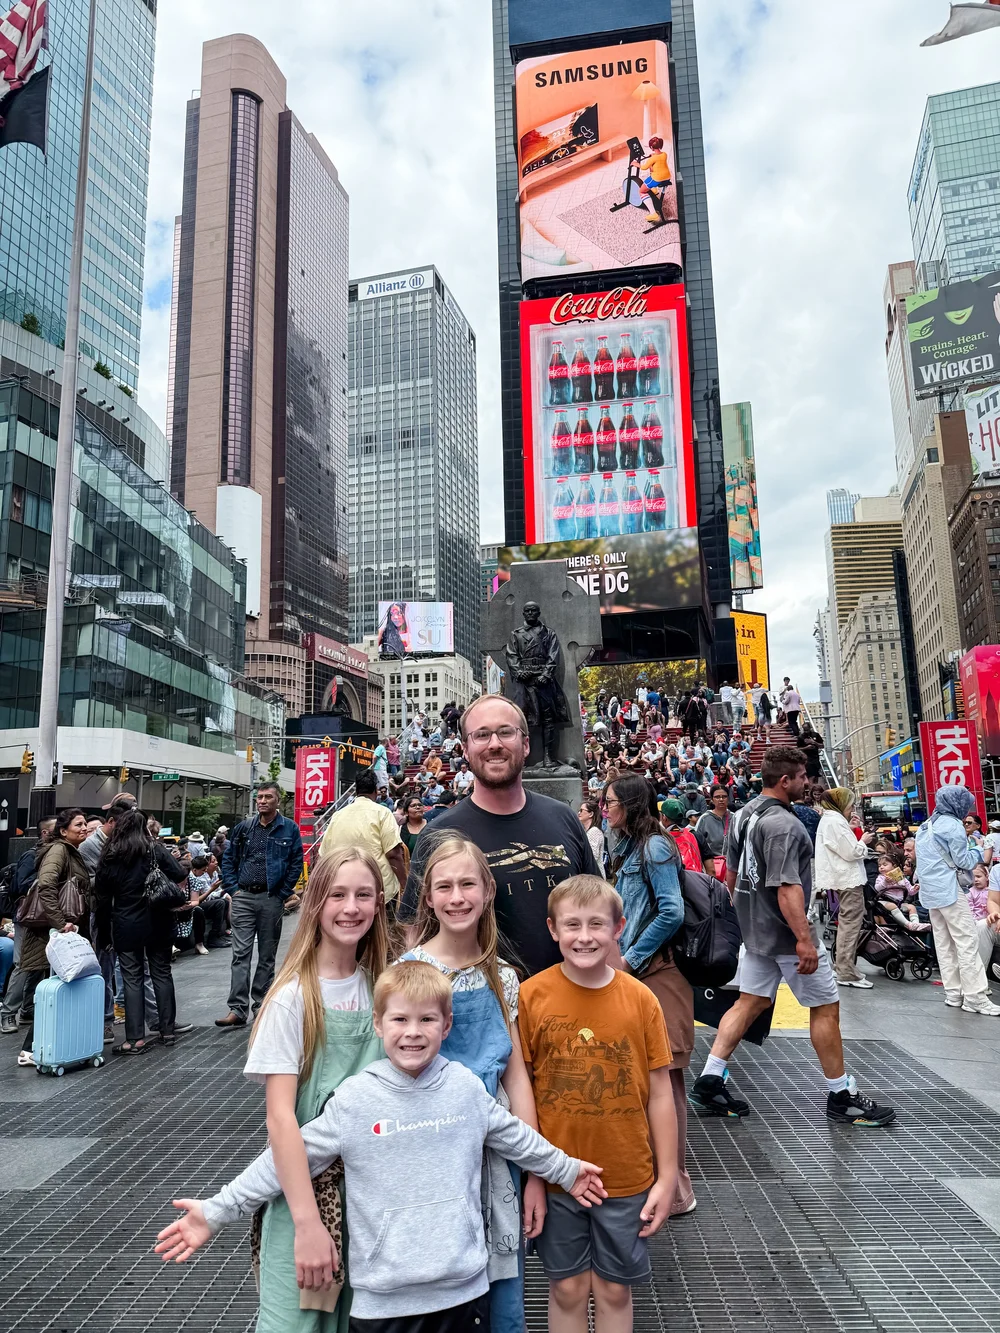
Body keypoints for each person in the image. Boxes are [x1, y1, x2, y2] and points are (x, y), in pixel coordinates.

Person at [157, 962, 605, 1333]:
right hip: (382, 1306)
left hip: (464, 1292)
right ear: (378, 1024)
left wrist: (566, 1170)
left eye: (427, 1019)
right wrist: (216, 1210)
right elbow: (285, 1159)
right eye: (400, 1019)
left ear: (446, 1024)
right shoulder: (354, 1100)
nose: (413, 1032)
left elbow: (517, 1137)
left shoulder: (465, 1090)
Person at [224, 847, 388, 1330]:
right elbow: (280, 1119)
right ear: (316, 902)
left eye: (363, 895)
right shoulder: (293, 997)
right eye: (337, 895)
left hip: (369, 1205)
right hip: (304, 1200)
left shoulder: (382, 988)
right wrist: (308, 1225)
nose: (351, 908)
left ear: (379, 904)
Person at [688, 747, 895, 1126]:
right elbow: (787, 887)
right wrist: (804, 939)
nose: (808, 782)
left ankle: (710, 1078)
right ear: (785, 781)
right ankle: (840, 1095)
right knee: (826, 1009)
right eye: (802, 776)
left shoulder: (744, 814)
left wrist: (740, 919)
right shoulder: (785, 826)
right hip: (786, 935)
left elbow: (731, 874)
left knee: (749, 1003)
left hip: (756, 932)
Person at [520, 877, 677, 1331]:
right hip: (556, 1175)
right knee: (566, 1288)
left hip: (625, 1176)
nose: (584, 936)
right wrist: (535, 1175)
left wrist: (667, 1176)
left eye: (596, 924)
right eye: (572, 925)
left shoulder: (641, 999)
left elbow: (661, 1093)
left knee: (613, 1287)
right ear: (553, 929)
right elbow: (524, 1090)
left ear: (618, 928)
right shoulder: (532, 996)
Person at [398, 836, 538, 1332]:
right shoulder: (410, 972)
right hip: (432, 1153)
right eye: (445, 886)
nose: (457, 896)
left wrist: (535, 1174)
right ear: (430, 898)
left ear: (489, 890)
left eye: (467, 884)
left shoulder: (503, 977)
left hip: (498, 1157)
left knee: (503, 1297)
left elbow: (516, 1075)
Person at [399, 694, 600, 977]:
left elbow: (598, 909)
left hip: (570, 1003)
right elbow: (415, 930)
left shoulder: (564, 818)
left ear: (526, 744)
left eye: (506, 732)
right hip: (482, 1010)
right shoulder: (438, 835)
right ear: (465, 750)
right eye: (481, 735)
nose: (495, 744)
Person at [607, 775, 696, 1219]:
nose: (605, 808)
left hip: (659, 972)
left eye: (611, 802)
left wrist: (632, 957)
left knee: (669, 1080)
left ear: (630, 804)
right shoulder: (625, 846)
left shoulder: (655, 847)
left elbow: (672, 910)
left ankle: (677, 1187)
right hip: (639, 972)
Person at [94, 808, 190, 1055]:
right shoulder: (154, 849)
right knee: (162, 973)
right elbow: (179, 873)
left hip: (126, 924)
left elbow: (103, 899)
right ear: (144, 828)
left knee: (132, 978)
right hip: (158, 920)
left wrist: (104, 932)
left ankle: (134, 1039)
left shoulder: (110, 854)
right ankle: (167, 1031)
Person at [216, 783, 305, 1031]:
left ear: (278, 801)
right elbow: (229, 859)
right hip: (243, 896)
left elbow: (296, 861)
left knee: (267, 956)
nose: (262, 801)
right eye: (260, 797)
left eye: (268, 797)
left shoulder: (289, 829)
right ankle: (237, 1008)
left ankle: (262, 1004)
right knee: (240, 954)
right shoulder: (245, 828)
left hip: (271, 898)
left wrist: (283, 893)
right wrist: (234, 889)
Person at [15, 809, 92, 1067]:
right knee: (55, 990)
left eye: (85, 824)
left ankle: (42, 1046)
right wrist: (61, 924)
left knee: (59, 989)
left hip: (59, 932)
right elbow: (46, 884)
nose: (84, 828)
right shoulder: (60, 850)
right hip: (54, 934)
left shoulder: (69, 850)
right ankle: (30, 1049)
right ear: (63, 830)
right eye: (78, 824)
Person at [915, 787, 1000, 1015]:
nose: (967, 810)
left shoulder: (926, 826)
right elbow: (964, 860)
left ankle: (954, 993)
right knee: (967, 941)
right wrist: (978, 849)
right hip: (949, 891)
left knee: (944, 943)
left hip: (931, 894)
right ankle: (975, 997)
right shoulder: (953, 826)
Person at [814, 789, 876, 989]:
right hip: (848, 879)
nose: (851, 808)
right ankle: (846, 971)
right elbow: (852, 852)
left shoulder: (831, 820)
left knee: (847, 923)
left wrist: (851, 829)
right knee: (851, 924)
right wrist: (864, 841)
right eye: (850, 804)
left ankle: (842, 967)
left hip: (841, 878)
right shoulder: (835, 821)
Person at [0, 815, 55, 1035]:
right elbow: (20, 886)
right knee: (23, 964)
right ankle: (8, 1013)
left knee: (39, 964)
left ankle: (27, 1008)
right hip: (29, 917)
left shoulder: (57, 854)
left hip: (47, 917)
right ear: (44, 833)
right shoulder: (31, 856)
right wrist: (47, 879)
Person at [319, 770, 405, 910]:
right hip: (379, 890)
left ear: (356, 791)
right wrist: (405, 883)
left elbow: (323, 855)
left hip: (344, 890)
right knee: (385, 931)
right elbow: (393, 854)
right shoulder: (382, 813)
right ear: (376, 791)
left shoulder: (338, 816)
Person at [875, 857, 929, 932]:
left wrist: (915, 888)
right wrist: (885, 882)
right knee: (892, 906)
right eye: (879, 866)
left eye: (885, 865)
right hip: (884, 901)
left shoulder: (902, 878)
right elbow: (877, 888)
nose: (881, 867)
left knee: (912, 907)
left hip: (899, 902)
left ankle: (916, 924)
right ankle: (908, 924)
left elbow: (910, 891)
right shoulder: (880, 878)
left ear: (893, 866)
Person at [695, 785, 731, 878]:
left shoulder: (735, 818)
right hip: (713, 868)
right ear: (712, 799)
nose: (721, 799)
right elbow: (696, 843)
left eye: (724, 796)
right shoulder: (704, 819)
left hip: (732, 867)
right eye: (717, 797)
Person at [578, 798, 606, 876]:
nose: (578, 813)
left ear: (591, 814)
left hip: (595, 877)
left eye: (581, 810)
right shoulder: (589, 831)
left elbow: (592, 857)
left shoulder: (594, 831)